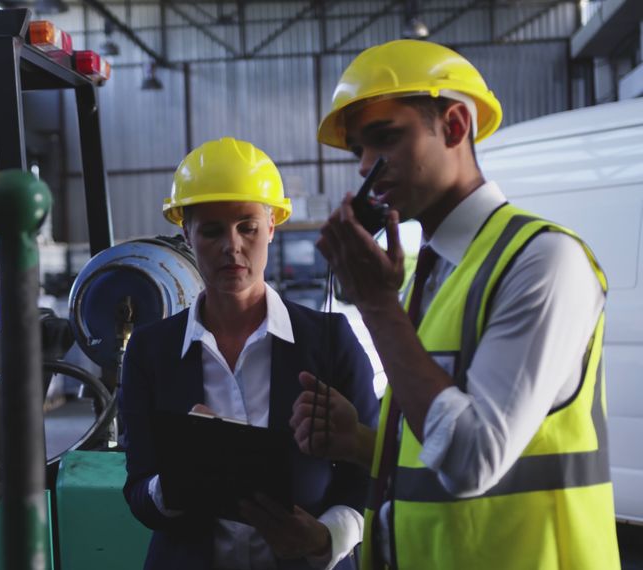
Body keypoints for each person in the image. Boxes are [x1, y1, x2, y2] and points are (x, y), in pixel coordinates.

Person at [296, 39, 620, 569]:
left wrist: (377, 307)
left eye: (384, 138)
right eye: (359, 151)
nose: (365, 168)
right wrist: (361, 442)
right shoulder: (432, 276)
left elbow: (472, 458)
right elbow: (438, 434)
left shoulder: (541, 263)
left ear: (453, 126)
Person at [119, 137, 378, 570]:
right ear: (187, 233)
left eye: (248, 226)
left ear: (272, 226)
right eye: (212, 230)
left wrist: (326, 536)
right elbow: (138, 494)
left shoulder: (330, 341)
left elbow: (370, 473)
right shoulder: (151, 351)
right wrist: (180, 480)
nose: (232, 246)